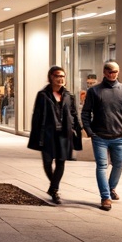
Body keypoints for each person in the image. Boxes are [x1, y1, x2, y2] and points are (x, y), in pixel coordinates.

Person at [81, 60, 122, 211]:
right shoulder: (94, 91)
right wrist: (89, 130)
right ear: (104, 72)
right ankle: (105, 197)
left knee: (119, 164)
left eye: (115, 72)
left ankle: (111, 188)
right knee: (102, 166)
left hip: (119, 136)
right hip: (99, 136)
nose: (113, 74)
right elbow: (86, 112)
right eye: (110, 72)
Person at [28, 66, 83, 204]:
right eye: (58, 76)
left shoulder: (69, 96)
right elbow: (37, 116)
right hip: (47, 133)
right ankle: (54, 188)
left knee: (61, 161)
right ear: (51, 77)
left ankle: (54, 189)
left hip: (64, 134)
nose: (61, 79)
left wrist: (79, 129)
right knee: (47, 162)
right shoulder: (43, 95)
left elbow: (74, 114)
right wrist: (36, 136)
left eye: (63, 76)